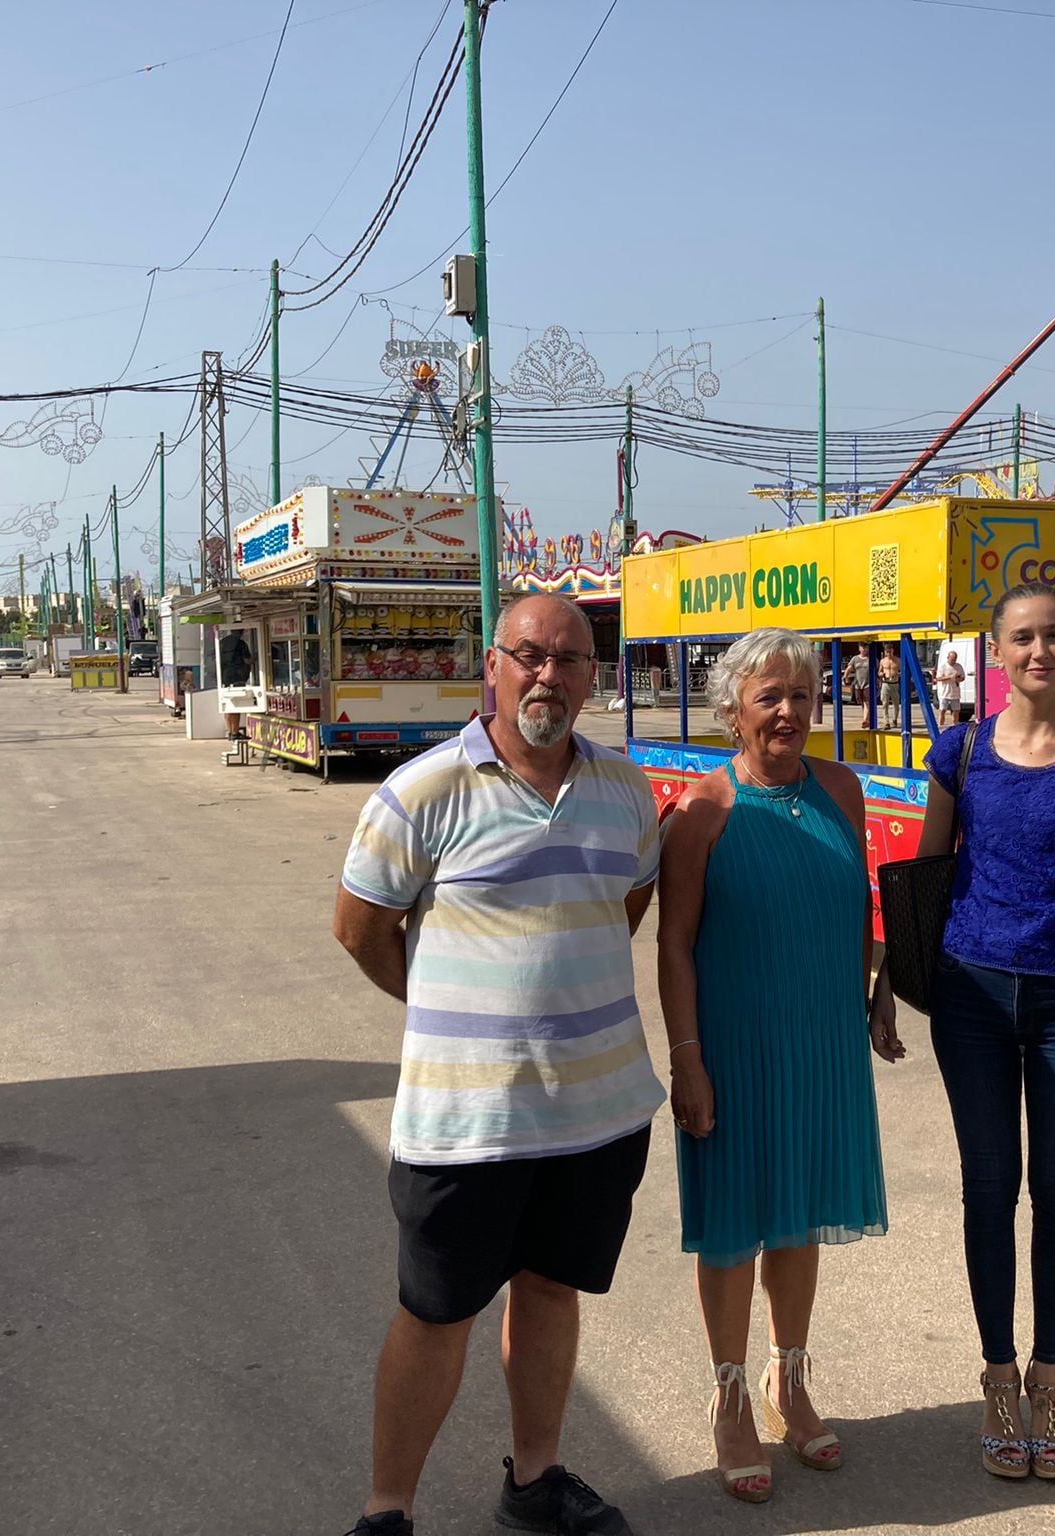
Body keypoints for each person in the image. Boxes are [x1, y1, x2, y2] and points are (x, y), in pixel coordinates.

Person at [333, 594, 663, 1536]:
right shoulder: (422, 790)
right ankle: (387, 1512)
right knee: (436, 1316)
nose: (549, 676)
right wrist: (458, 1012)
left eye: (570, 661)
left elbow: (624, 907)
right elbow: (361, 930)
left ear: (593, 679)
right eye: (530, 656)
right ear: (493, 665)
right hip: (465, 1122)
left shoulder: (626, 792)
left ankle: (536, 1480)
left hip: (596, 1114)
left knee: (553, 1292)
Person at [867, 580, 1055, 1485]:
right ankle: (997, 1376)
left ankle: (1051, 1376)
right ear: (995, 650)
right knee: (989, 1189)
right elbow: (924, 873)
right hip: (972, 996)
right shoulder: (960, 751)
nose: (1040, 651)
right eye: (1023, 638)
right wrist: (888, 979)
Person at [659, 628, 886, 1504]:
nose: (788, 711)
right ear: (733, 711)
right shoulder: (704, 812)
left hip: (823, 1040)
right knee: (732, 1227)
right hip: (733, 1047)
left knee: (798, 1219)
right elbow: (674, 946)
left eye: (802, 695)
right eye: (769, 697)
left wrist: (878, 986)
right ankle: (728, 1397)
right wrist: (688, 1062)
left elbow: (853, 904)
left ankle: (788, 1384)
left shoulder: (842, 789)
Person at [933, 648, 968, 725]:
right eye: (952, 659)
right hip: (945, 693)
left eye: (955, 659)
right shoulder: (943, 667)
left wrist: (958, 678)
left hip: (955, 693)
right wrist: (950, 677)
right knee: (942, 710)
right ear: (948, 658)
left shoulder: (958, 666)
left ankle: (955, 725)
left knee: (956, 711)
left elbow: (963, 678)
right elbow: (938, 678)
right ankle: (940, 725)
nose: (953, 661)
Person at [879, 650, 902, 730]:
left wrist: (897, 674)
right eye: (887, 652)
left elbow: (903, 670)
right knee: (885, 703)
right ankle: (886, 722)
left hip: (894, 683)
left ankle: (894, 719)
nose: (889, 654)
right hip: (885, 683)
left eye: (890, 652)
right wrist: (881, 674)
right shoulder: (883, 661)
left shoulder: (897, 660)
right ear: (885, 652)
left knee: (896, 703)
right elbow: (879, 672)